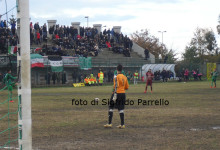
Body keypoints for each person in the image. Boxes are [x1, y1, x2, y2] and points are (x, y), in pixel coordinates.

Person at [104, 64, 129, 129]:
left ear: (117, 69)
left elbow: (115, 86)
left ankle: (109, 123)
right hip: (123, 93)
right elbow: (127, 87)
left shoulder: (116, 77)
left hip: (117, 93)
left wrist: (114, 94)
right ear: (122, 69)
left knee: (111, 107)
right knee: (121, 109)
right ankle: (122, 124)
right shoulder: (125, 77)